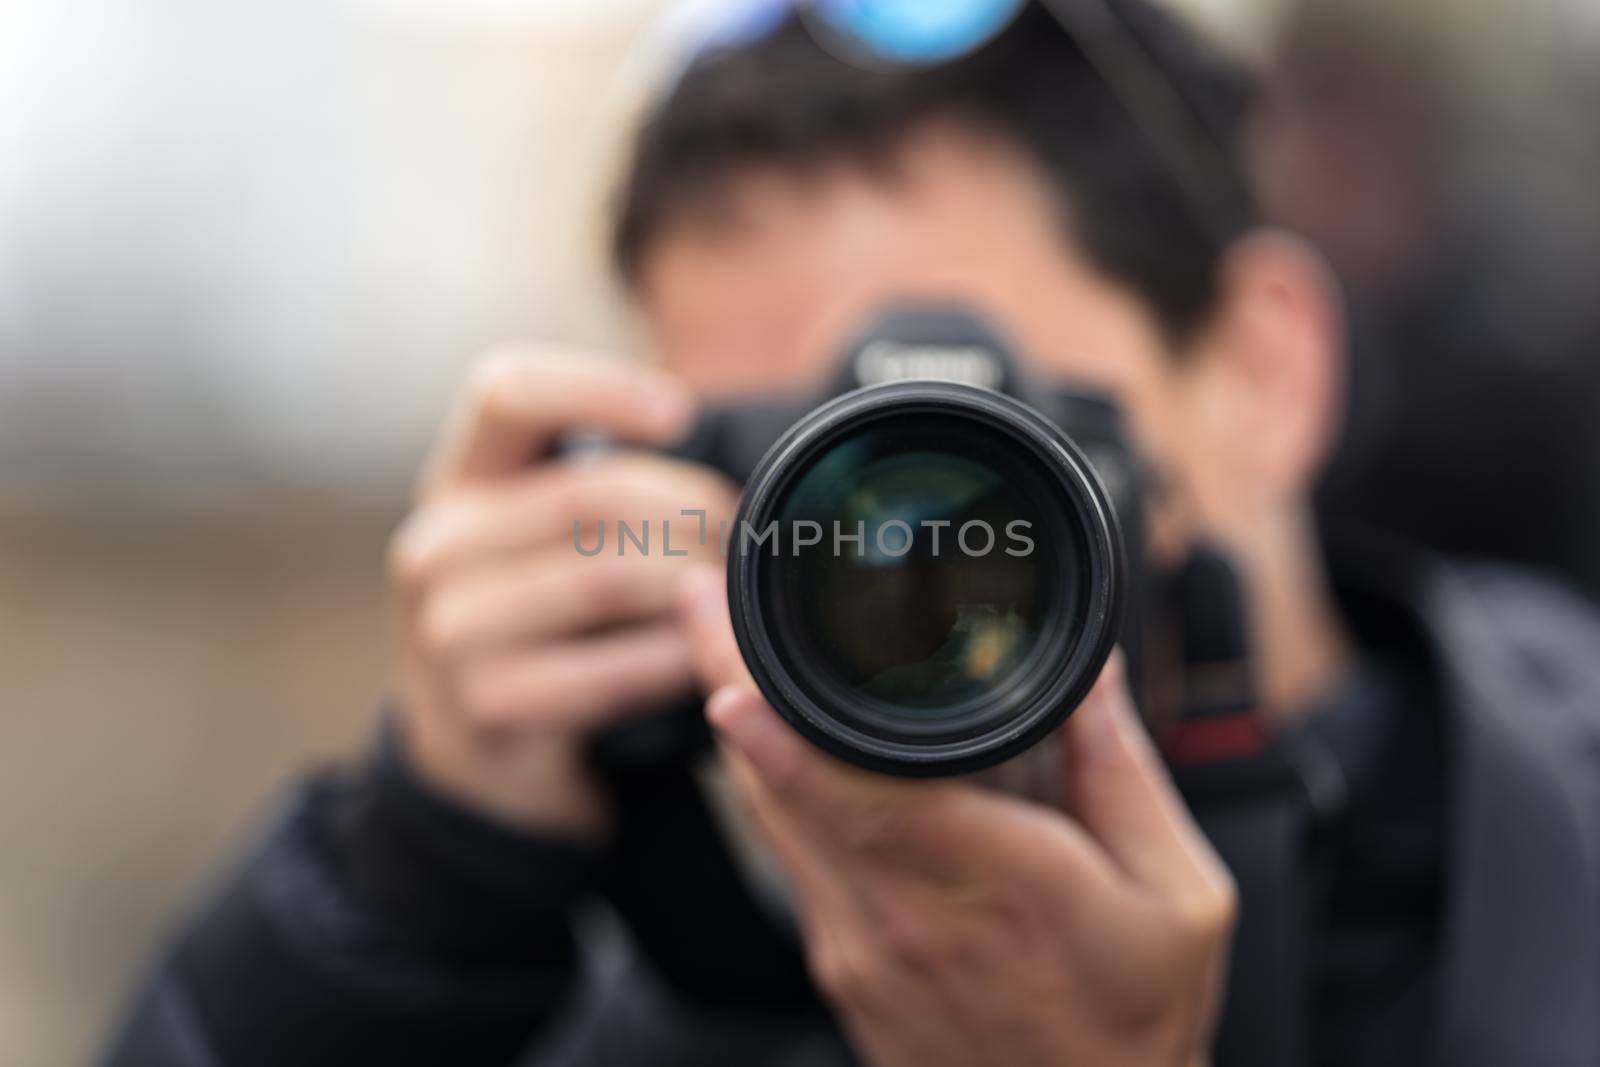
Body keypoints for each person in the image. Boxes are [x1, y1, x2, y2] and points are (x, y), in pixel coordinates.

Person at [104, 4, 1600, 1066]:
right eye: (793, 481)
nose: (894, 568)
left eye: (975, 447)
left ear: (1268, 376)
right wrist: (411, 887)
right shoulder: (661, 942)